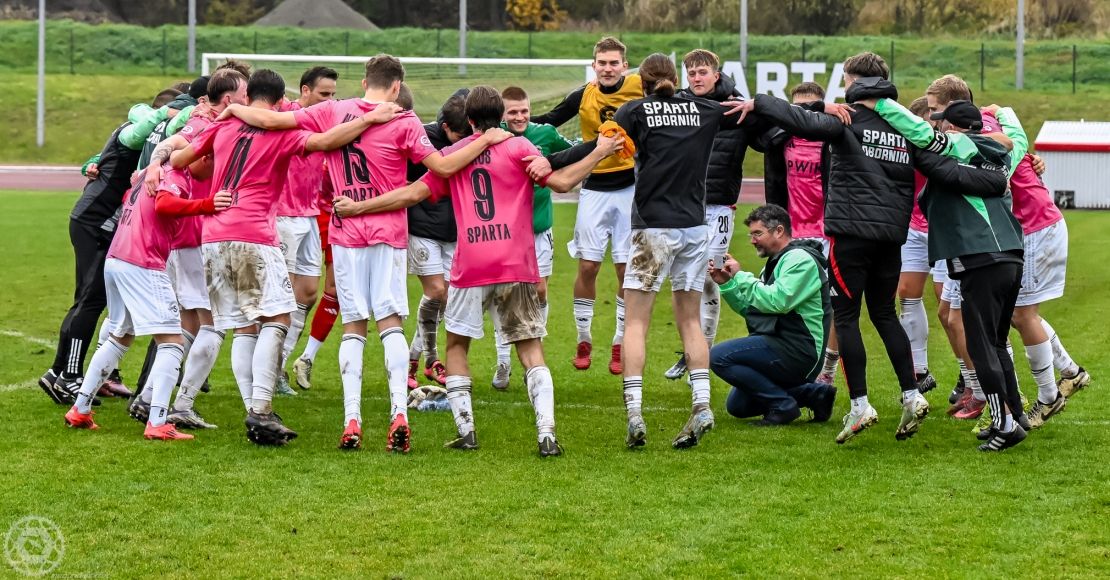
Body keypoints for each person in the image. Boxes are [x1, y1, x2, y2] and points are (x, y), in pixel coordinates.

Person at [220, 56, 513, 453]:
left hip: (346, 234)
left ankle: (351, 420)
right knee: (390, 323)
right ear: (396, 86)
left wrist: (234, 108)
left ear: (364, 82)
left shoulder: (332, 110)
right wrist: (485, 140)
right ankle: (399, 413)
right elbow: (443, 168)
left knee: (354, 327)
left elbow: (272, 121)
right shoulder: (404, 120)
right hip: (388, 234)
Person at [729, 52, 1008, 444]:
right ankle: (911, 395)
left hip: (850, 233)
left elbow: (796, 120)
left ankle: (860, 405)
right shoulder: (905, 126)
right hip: (892, 235)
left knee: (845, 317)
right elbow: (943, 164)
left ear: (853, 82)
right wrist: (995, 176)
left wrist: (759, 102)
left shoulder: (848, 118)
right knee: (884, 314)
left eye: (845, 80)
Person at [334, 85, 623, 456]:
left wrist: (358, 207)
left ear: (469, 120)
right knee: (530, 349)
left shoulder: (453, 156)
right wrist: (600, 151)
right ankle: (547, 435)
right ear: (500, 117)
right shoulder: (519, 147)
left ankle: (467, 432)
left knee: (456, 346)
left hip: (471, 265)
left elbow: (411, 194)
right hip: (516, 264)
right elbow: (564, 182)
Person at [170, 68, 399, 446]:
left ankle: (223, 406)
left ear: (248, 98)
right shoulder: (280, 134)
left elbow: (182, 160)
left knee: (243, 326)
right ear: (280, 103)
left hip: (213, 235)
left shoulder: (222, 125)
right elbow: (327, 141)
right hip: (253, 235)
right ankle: (260, 410)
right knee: (278, 317)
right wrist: (369, 119)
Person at [610, 53, 756, 449]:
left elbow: (606, 148)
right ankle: (702, 404)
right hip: (694, 227)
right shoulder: (704, 110)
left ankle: (635, 413)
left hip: (653, 227)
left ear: (642, 82)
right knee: (691, 321)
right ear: (678, 79)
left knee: (636, 323)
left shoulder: (634, 111)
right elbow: (745, 111)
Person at [871, 99, 1026, 450]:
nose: (937, 127)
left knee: (980, 346)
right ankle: (1015, 417)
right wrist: (1004, 111)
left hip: (980, 257)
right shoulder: (1003, 157)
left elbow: (919, 137)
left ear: (953, 129)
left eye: (942, 122)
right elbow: (1018, 138)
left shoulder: (953, 154)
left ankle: (1004, 424)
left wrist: (879, 103)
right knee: (997, 343)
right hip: (1011, 256)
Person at [63, 168, 232, 440]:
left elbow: (130, 197)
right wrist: (206, 205)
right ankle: (157, 422)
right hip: (143, 263)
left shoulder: (150, 173)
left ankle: (80, 409)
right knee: (172, 343)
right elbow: (164, 204)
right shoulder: (174, 175)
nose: (211, 161)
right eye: (207, 155)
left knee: (119, 337)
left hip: (117, 258)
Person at [38, 87, 181, 406]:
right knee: (91, 300)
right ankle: (69, 375)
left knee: (88, 300)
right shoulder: (142, 130)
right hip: (96, 222)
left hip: (97, 221)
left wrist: (92, 163)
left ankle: (61, 372)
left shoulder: (143, 135)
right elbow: (128, 133)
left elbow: (106, 157)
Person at [532, 36, 643, 374]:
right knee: (588, 266)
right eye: (602, 63)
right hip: (593, 188)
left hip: (630, 189)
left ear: (625, 66)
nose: (608, 68)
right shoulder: (583, 95)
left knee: (624, 269)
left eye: (614, 63)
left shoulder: (640, 88)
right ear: (594, 65)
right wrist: (510, 123)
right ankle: (584, 338)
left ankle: (619, 342)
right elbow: (549, 119)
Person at [662, 49, 765, 381]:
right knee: (683, 280)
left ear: (716, 75)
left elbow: (768, 139)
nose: (696, 78)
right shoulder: (678, 105)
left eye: (702, 72)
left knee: (711, 276)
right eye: (691, 73)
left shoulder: (737, 108)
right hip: (683, 206)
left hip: (720, 208)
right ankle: (692, 351)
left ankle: (699, 354)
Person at [709, 204, 836, 425]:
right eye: (751, 235)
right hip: (782, 342)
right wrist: (727, 284)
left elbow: (778, 302)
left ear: (778, 231)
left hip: (800, 349)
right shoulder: (776, 262)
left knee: (717, 356)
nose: (752, 240)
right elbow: (754, 310)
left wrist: (740, 276)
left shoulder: (800, 260)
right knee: (738, 406)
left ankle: (783, 406)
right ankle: (813, 394)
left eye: (757, 233)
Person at [492, 85, 575, 390]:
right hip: (505, 232)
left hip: (540, 229)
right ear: (502, 115)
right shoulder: (493, 137)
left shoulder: (546, 134)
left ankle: (535, 353)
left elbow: (571, 153)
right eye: (513, 112)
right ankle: (503, 360)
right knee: (504, 294)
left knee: (540, 291)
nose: (520, 117)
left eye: (524, 111)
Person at [273, 66, 340, 397]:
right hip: (283, 214)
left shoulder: (327, 120)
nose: (329, 100)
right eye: (324, 94)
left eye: (333, 95)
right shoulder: (286, 114)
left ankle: (280, 364)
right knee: (278, 298)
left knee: (309, 293)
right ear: (304, 90)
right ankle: (268, 371)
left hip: (310, 213)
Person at [400, 89, 472, 390]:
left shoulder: (473, 138)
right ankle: (432, 359)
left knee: (444, 299)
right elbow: (401, 180)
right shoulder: (422, 139)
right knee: (437, 292)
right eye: (460, 136)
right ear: (445, 127)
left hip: (455, 232)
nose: (466, 142)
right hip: (423, 229)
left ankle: (413, 360)